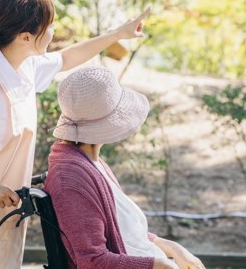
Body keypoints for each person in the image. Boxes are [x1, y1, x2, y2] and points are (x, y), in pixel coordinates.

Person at [0, 0, 150, 269]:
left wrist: (118, 34)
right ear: (27, 36)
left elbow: (67, 57)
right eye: (50, 25)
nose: (54, 31)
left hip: (5, 216)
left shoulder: (26, 67)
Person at [45, 66, 206, 269]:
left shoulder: (89, 162)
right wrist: (160, 265)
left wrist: (173, 249)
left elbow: (124, 232)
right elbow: (92, 261)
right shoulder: (70, 178)